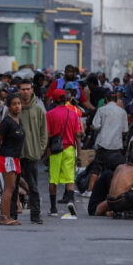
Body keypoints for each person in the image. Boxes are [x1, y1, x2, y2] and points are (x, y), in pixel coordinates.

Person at [16, 79, 48, 224]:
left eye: (28, 89)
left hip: (32, 154)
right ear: (19, 91)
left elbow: (44, 132)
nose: (25, 92)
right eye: (23, 89)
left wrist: (39, 150)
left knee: (33, 186)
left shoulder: (38, 109)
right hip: (15, 154)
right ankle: (11, 213)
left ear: (32, 90)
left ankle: (35, 214)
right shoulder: (13, 108)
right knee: (12, 185)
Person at [46, 89, 82, 217]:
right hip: (70, 149)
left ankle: (53, 208)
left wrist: (46, 150)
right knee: (70, 178)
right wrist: (80, 153)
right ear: (65, 99)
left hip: (55, 150)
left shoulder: (49, 114)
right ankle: (71, 201)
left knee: (53, 179)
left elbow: (48, 135)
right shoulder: (73, 114)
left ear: (54, 100)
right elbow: (77, 135)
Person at [0, 94, 25, 226]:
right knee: (9, 188)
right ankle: (3, 217)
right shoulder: (7, 122)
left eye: (19, 103)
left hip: (14, 157)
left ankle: (7, 215)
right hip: (7, 157)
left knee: (11, 188)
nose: (17, 106)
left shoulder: (18, 120)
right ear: (9, 106)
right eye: (14, 104)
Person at [88, 90, 127, 197]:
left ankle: (90, 191)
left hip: (103, 144)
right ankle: (112, 193)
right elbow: (125, 130)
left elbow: (95, 125)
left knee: (96, 169)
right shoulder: (122, 112)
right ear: (116, 100)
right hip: (116, 146)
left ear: (106, 99)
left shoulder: (102, 110)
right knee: (114, 171)